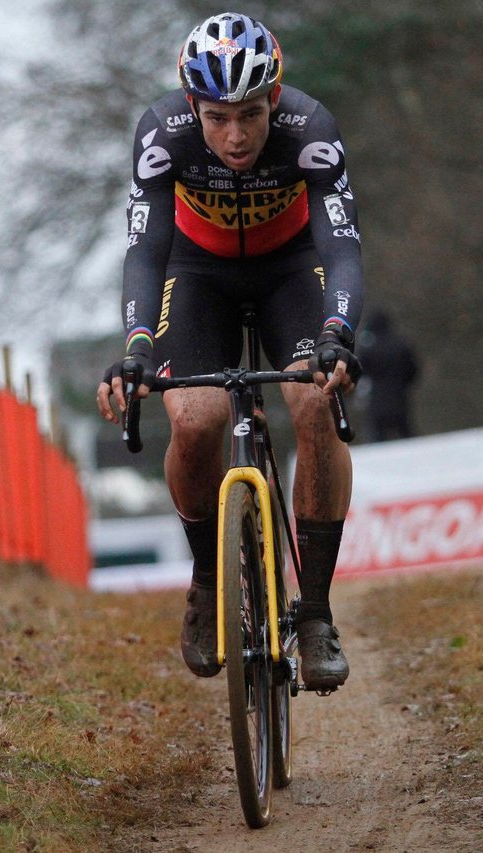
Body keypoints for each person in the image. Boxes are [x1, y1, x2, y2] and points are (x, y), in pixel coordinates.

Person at [97, 12, 364, 690]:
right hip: (198, 273)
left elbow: (341, 246)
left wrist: (336, 333)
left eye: (249, 114)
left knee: (313, 399)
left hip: (290, 270)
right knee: (194, 419)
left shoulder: (312, 130)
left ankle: (314, 612)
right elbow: (145, 247)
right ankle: (209, 577)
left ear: (274, 98)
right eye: (217, 117)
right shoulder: (162, 134)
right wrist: (134, 347)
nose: (235, 136)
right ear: (194, 107)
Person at [358, 310, 419, 442]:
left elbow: (360, 372)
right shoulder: (401, 344)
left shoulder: (368, 348)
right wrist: (404, 383)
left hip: (376, 399)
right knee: (406, 435)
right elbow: (413, 369)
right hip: (399, 396)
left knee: (377, 440)